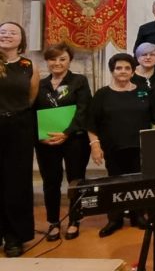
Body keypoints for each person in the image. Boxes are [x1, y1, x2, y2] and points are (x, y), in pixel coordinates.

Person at [88, 53, 154, 238]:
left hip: (139, 148)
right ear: (112, 70)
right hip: (113, 147)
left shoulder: (143, 91)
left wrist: (154, 145)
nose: (123, 71)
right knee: (115, 184)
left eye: (127, 68)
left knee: (138, 182)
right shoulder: (102, 94)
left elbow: (154, 120)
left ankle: (138, 216)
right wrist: (95, 146)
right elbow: (91, 123)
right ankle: (114, 219)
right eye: (118, 68)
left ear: (133, 71)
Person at [34, 43, 92, 241]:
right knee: (51, 182)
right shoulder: (39, 84)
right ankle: (53, 222)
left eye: (62, 59)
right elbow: (32, 113)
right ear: (47, 61)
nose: (57, 63)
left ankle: (74, 220)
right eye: (52, 59)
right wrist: (41, 135)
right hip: (46, 142)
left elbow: (84, 110)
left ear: (69, 61)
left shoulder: (79, 81)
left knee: (76, 180)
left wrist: (66, 133)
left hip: (74, 139)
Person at [0, 22, 39, 257]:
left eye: (12, 32)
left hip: (19, 128)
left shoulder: (28, 66)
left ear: (21, 39)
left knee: (17, 184)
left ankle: (15, 237)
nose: (6, 35)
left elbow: (31, 97)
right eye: (2, 32)